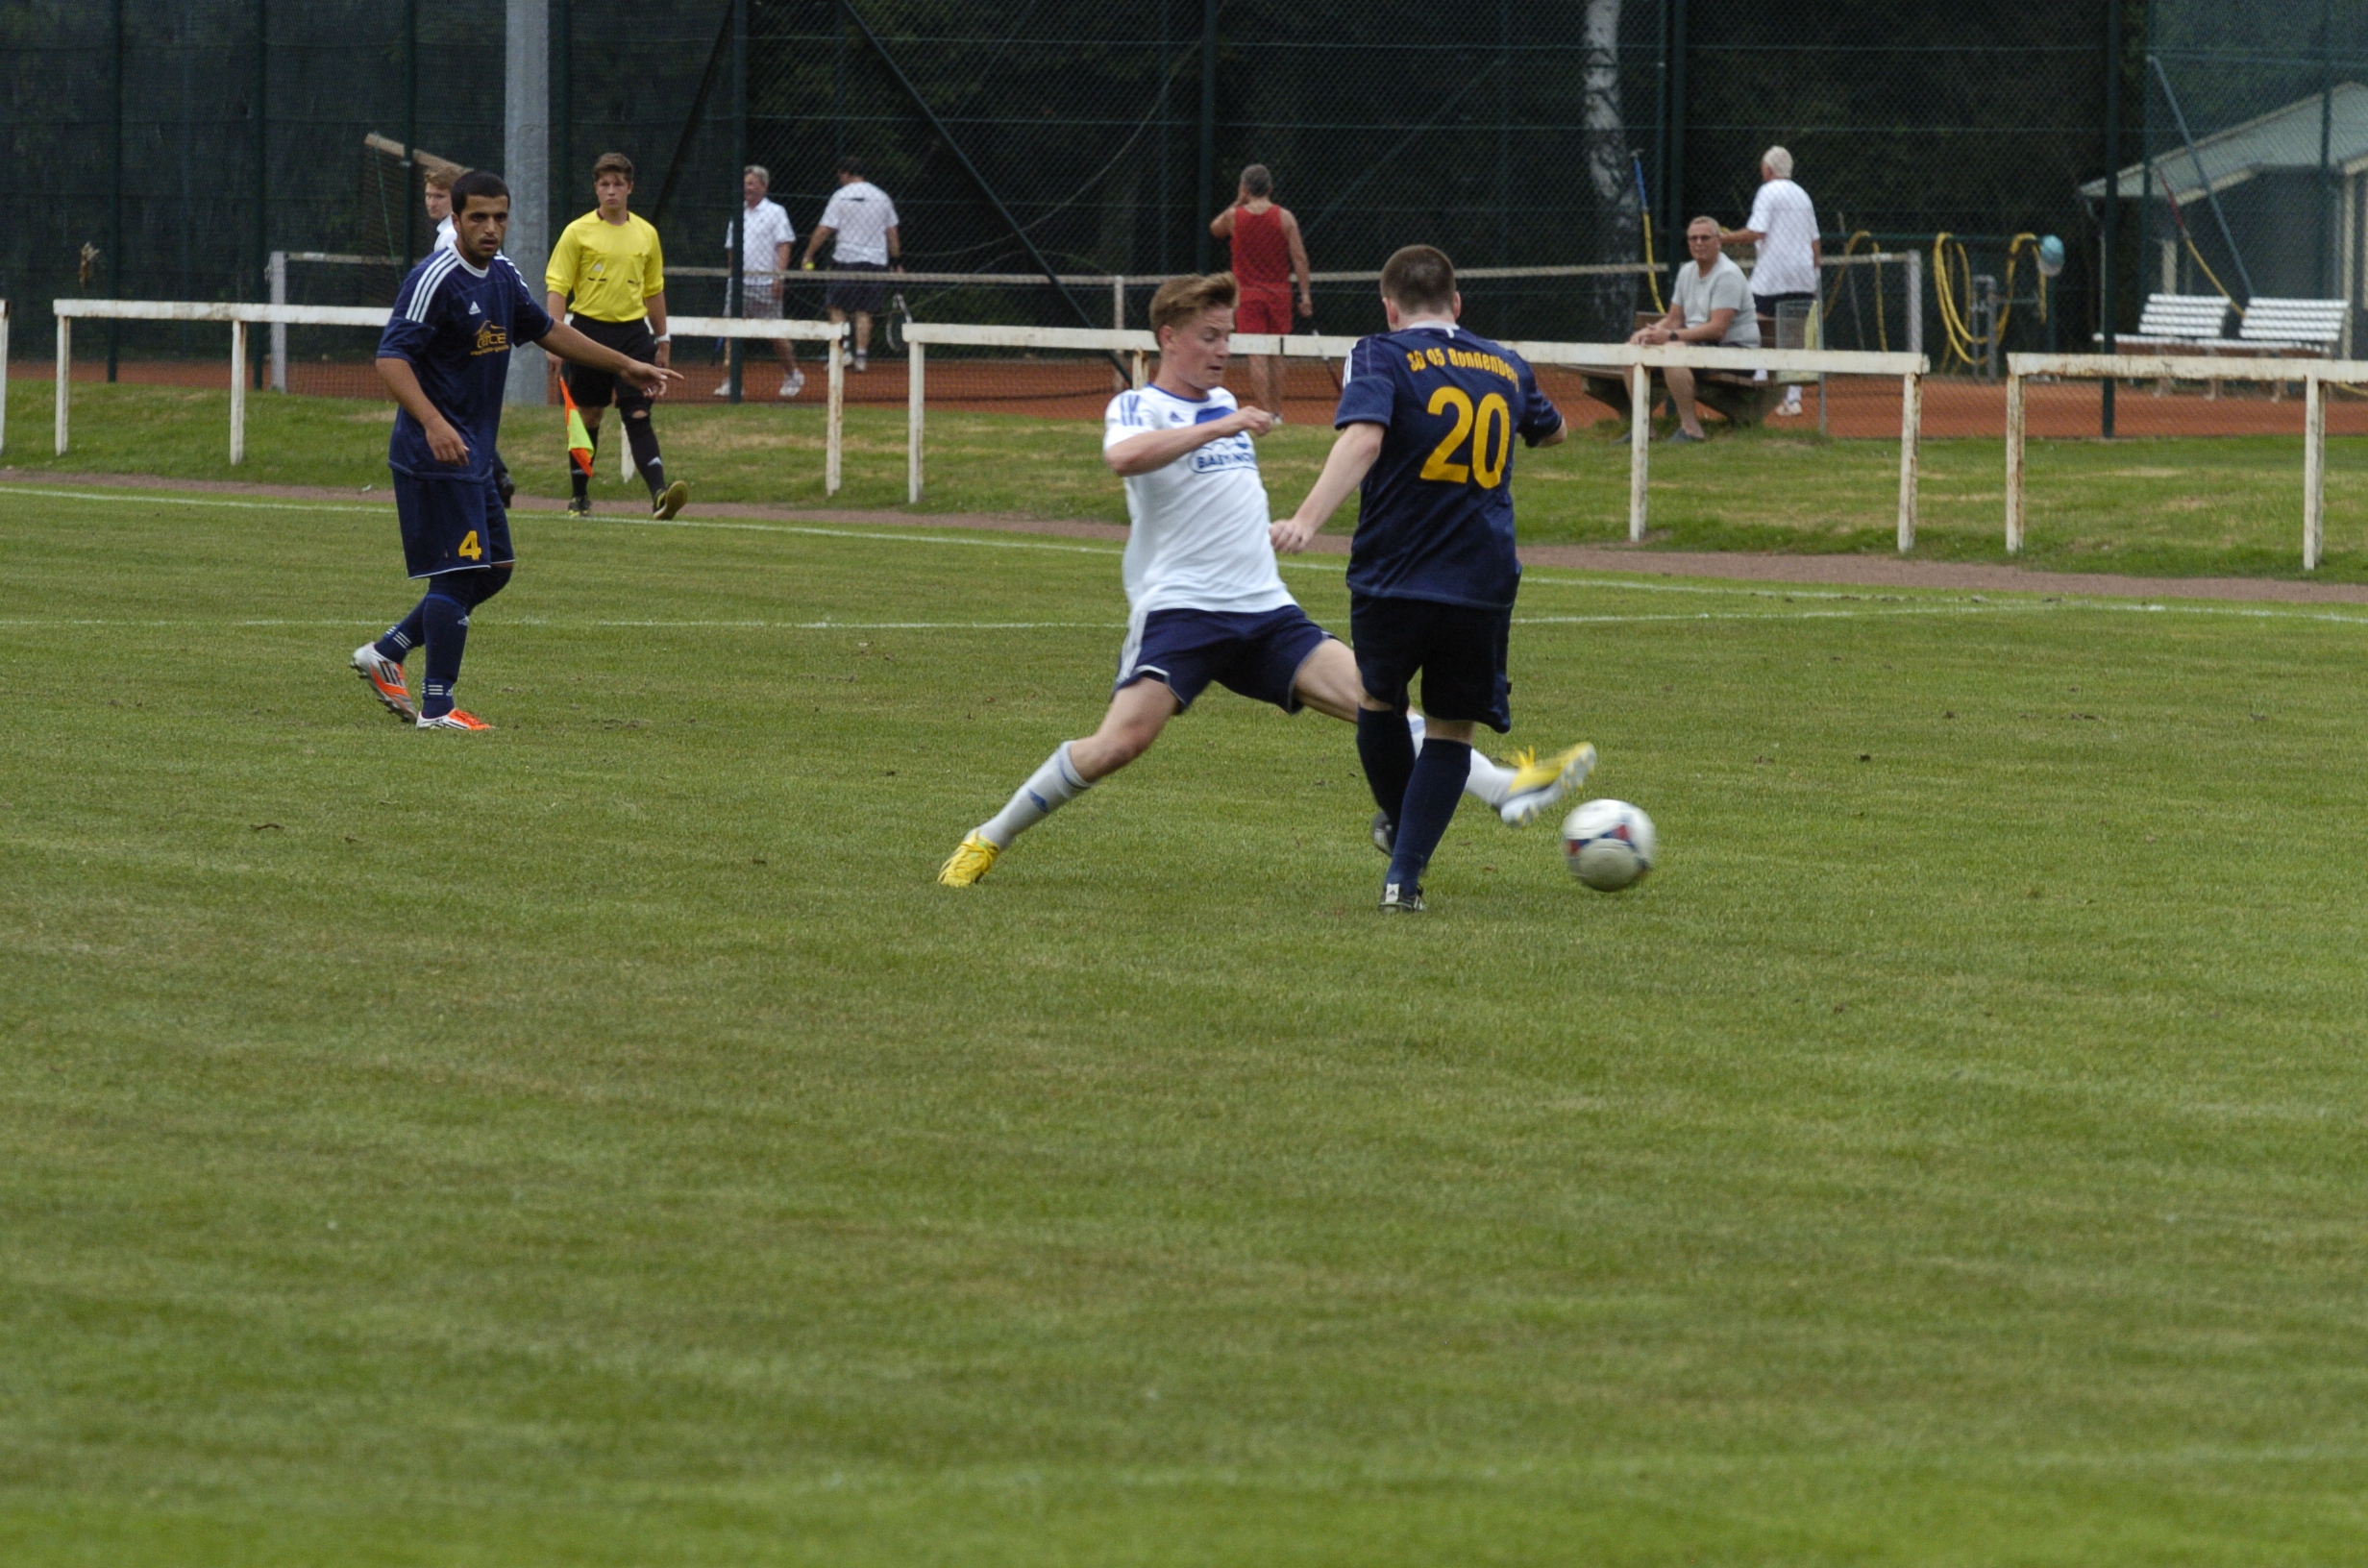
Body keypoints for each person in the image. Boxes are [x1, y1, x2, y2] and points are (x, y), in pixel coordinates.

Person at [937, 271, 1590, 890]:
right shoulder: (1141, 405)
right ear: (1169, 337)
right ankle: (989, 836)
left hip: (1265, 611)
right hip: (1182, 611)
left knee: (1380, 702)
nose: (1223, 350)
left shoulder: (1224, 400)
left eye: (1228, 336)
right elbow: (1123, 458)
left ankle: (1502, 791)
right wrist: (1220, 425)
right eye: (1209, 337)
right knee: (1119, 744)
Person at [1272, 246, 1589, 913]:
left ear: (1390, 308)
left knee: (1378, 702)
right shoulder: (1505, 362)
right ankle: (1404, 877)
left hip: (1393, 572)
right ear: (1457, 303)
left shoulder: (1378, 353)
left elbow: (1364, 438)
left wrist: (1306, 518)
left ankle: (1400, 826)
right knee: (1450, 730)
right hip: (1480, 577)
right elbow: (1555, 431)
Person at [351, 170, 679, 730]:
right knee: (458, 574)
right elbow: (391, 359)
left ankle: (388, 651)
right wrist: (433, 423)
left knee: (495, 567)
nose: (490, 227)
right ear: (456, 220)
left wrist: (625, 364)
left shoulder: (502, 275)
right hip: (436, 455)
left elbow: (548, 329)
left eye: (499, 217)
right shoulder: (435, 278)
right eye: (478, 217)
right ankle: (437, 706)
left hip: (475, 453)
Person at [545, 151, 688, 520]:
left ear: (630, 188)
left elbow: (654, 290)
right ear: (596, 188)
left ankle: (660, 495)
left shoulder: (646, 234)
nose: (611, 191)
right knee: (588, 415)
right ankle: (579, 497)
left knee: (638, 413)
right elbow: (558, 287)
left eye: (618, 184)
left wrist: (663, 339)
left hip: (633, 335)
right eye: (604, 184)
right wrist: (553, 340)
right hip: (588, 333)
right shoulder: (577, 232)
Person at [1630, 216, 1760, 443]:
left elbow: (1717, 330)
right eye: (1693, 238)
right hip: (1701, 347)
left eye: (1705, 238)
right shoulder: (1687, 271)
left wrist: (1671, 336)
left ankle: (1691, 429)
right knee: (1632, 350)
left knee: (1673, 352)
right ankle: (1643, 429)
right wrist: (1647, 334)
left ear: (1718, 241)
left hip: (1737, 353)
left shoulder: (1728, 275)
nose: (1699, 243)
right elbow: (1673, 319)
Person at [1721, 145, 1821, 417]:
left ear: (1768, 169)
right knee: (1794, 334)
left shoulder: (1768, 191)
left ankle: (1759, 379)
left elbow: (1756, 231)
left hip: (1772, 275)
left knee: (1756, 324)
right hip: (1801, 275)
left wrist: (1723, 239)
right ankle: (1792, 398)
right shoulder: (1803, 195)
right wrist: (1814, 275)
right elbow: (1815, 241)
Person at [1208, 163, 1313, 417]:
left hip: (1247, 294)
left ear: (1244, 187)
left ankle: (1264, 413)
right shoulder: (1284, 217)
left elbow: (1215, 229)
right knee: (1277, 353)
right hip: (1279, 294)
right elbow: (1299, 257)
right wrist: (1305, 295)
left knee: (1256, 354)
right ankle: (1277, 413)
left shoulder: (1235, 216)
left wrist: (1238, 200)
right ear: (1270, 187)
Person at [800, 157, 900, 373]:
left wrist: (808, 254)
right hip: (875, 262)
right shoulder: (882, 197)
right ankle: (861, 358)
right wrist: (896, 261)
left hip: (845, 261)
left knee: (835, 306)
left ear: (845, 174)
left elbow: (824, 229)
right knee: (864, 311)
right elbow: (892, 232)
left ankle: (844, 353)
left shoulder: (840, 196)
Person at [719, 163, 803, 400]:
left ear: (764, 186)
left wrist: (778, 277)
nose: (747, 188)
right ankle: (732, 381)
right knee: (730, 331)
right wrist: (733, 278)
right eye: (745, 183)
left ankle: (793, 374)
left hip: (766, 284)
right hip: (739, 284)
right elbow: (731, 249)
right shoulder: (738, 213)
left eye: (751, 183)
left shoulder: (776, 212)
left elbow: (784, 245)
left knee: (775, 333)